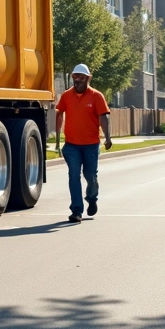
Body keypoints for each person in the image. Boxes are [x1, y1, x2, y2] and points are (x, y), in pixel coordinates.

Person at [54, 63, 112, 224]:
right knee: (73, 175)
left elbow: (104, 117)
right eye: (74, 77)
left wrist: (108, 137)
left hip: (91, 145)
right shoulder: (66, 96)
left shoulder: (96, 96)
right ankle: (76, 211)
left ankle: (92, 198)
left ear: (88, 78)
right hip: (71, 145)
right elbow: (59, 115)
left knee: (90, 176)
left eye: (80, 77)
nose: (77, 80)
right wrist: (58, 141)